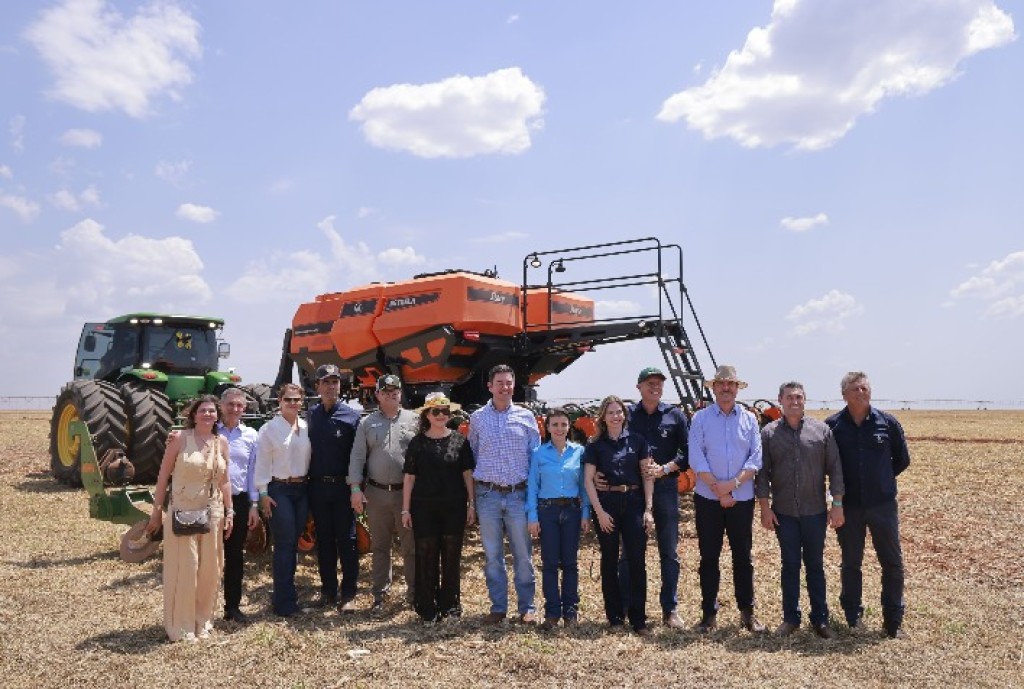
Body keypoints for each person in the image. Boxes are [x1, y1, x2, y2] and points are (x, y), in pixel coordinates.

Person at [756, 381, 845, 639]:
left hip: (815, 512)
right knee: (790, 564)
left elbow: (835, 469)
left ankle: (821, 620)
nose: (794, 401)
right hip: (784, 514)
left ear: (804, 400)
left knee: (815, 565)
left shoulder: (821, 431)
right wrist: (765, 508)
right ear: (780, 401)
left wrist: (836, 505)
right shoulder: (769, 434)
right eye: (789, 397)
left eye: (799, 397)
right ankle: (790, 619)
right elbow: (762, 475)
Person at [826, 371, 910, 639]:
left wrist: (881, 480)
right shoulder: (833, 427)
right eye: (855, 389)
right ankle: (853, 617)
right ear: (844, 395)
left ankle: (893, 621)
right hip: (848, 506)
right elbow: (827, 467)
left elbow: (902, 460)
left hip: (882, 506)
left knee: (892, 563)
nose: (861, 393)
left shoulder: (888, 423)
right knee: (851, 562)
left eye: (864, 388)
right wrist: (836, 501)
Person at [146, 396, 233, 641]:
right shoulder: (179, 439)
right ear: (193, 415)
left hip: (213, 511)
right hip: (183, 511)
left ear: (217, 416)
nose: (207, 414)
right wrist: (157, 511)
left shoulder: (221, 442)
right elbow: (163, 476)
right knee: (186, 568)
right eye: (202, 410)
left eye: (212, 411)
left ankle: (202, 621)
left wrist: (230, 511)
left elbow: (225, 481)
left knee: (210, 570)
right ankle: (181, 627)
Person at [688, 364, 765, 634]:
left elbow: (755, 459)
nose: (725, 388)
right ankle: (708, 614)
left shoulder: (749, 419)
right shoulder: (700, 419)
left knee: (742, 556)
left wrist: (731, 486)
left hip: (741, 498)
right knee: (709, 556)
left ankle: (747, 613)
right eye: (720, 384)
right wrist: (718, 489)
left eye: (730, 384)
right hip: (707, 499)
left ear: (736, 388)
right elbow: (696, 457)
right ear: (713, 388)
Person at [468, 364, 541, 625]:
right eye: (499, 383)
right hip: (487, 494)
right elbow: (473, 454)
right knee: (492, 556)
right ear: (490, 386)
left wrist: (534, 499)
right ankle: (498, 607)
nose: (505, 387)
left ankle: (527, 607)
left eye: (509, 382)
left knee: (523, 555)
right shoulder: (477, 418)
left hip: (518, 495)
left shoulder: (526, 417)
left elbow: (535, 459)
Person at [583, 395, 655, 635]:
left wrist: (648, 509)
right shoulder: (595, 446)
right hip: (607, 505)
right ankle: (614, 618)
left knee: (637, 561)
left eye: (619, 412)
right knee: (609, 560)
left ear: (625, 415)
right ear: (603, 417)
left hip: (634, 502)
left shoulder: (638, 441)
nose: (615, 416)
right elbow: (588, 481)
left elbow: (647, 475)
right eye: (610, 412)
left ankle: (638, 619)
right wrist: (600, 512)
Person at [401, 392, 476, 621]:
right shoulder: (417, 443)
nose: (441, 415)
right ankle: (427, 606)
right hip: (423, 507)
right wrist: (405, 509)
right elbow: (409, 477)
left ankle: (450, 605)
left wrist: (471, 504)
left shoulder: (459, 441)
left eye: (445, 411)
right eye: (436, 411)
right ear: (427, 415)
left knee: (452, 556)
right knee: (426, 555)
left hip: (454, 507)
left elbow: (467, 474)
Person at [348, 373, 419, 612]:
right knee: (380, 547)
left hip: (406, 495)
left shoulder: (414, 420)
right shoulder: (367, 423)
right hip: (376, 493)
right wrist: (355, 488)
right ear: (377, 395)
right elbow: (357, 457)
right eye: (386, 392)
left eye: (395, 392)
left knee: (410, 546)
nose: (391, 395)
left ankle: (414, 593)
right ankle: (380, 594)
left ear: (400, 393)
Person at [629, 366, 689, 629]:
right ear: (639, 387)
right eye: (650, 383)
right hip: (633, 489)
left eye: (659, 383)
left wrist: (664, 468)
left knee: (669, 551)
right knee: (630, 551)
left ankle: (670, 609)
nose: (655, 387)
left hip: (665, 487)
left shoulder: (675, 415)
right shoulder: (628, 415)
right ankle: (630, 607)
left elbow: (688, 452)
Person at [527, 408, 591, 630]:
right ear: (547, 427)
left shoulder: (579, 452)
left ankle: (571, 612)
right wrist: (532, 516)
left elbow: (584, 486)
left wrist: (585, 513)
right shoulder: (538, 453)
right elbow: (533, 487)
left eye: (563, 424)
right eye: (555, 424)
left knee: (570, 563)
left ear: (569, 427)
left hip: (572, 511)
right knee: (550, 563)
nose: (559, 429)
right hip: (548, 511)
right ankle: (552, 613)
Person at [306, 364, 362, 612]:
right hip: (318, 487)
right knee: (324, 541)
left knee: (347, 541)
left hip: (343, 488)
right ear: (317, 386)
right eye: (326, 382)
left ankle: (349, 594)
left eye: (335, 382)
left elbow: (359, 457)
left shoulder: (352, 417)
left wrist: (357, 489)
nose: (331, 387)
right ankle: (328, 591)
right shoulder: (311, 415)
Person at [254, 382, 311, 618]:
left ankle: (287, 594)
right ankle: (284, 603)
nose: (293, 403)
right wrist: (263, 493)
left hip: (302, 489)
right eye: (288, 399)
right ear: (279, 402)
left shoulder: (306, 426)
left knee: (294, 541)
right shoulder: (269, 429)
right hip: (279, 490)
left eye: (297, 399)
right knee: (285, 543)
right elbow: (261, 463)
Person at [217, 387, 261, 624]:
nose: (235, 409)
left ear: (244, 408)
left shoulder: (251, 436)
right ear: (221, 406)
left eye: (239, 405)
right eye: (230, 404)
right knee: (208, 556)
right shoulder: (210, 431)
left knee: (234, 555)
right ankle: (202, 609)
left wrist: (254, 504)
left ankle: (231, 607)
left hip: (240, 500)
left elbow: (253, 472)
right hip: (211, 501)